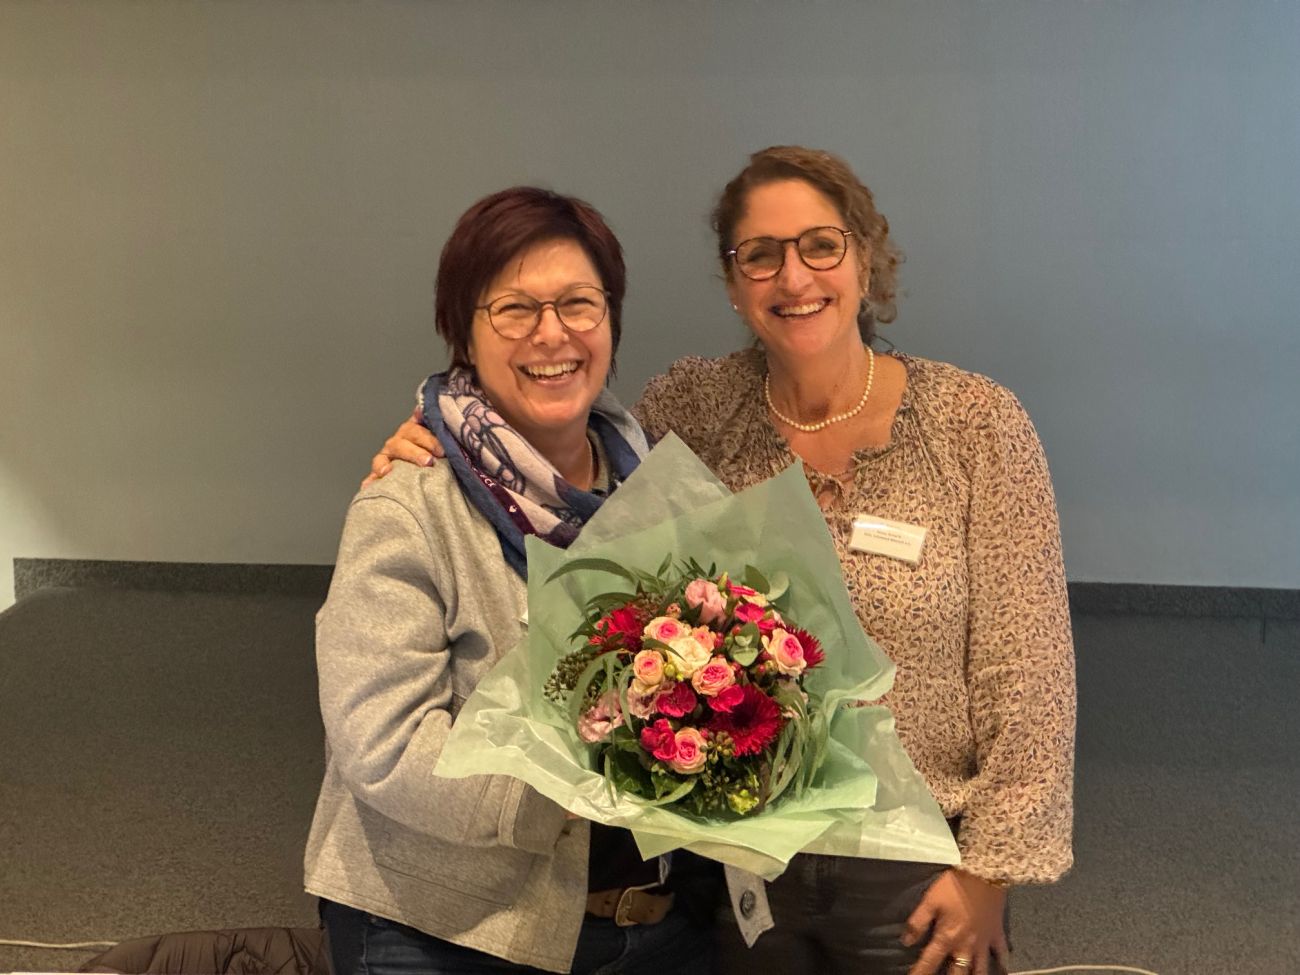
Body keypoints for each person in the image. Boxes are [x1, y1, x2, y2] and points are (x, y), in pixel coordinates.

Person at [364, 147, 1076, 975]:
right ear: (735, 284)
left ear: (866, 258)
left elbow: (1028, 669)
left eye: (821, 245)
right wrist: (439, 438)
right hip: (739, 853)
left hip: (912, 861)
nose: (794, 277)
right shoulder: (694, 410)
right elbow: (563, 452)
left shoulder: (974, 424)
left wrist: (989, 870)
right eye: (760, 255)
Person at [304, 186, 717, 975]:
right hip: (447, 927)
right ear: (463, 332)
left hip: (659, 925)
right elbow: (385, 745)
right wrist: (577, 788)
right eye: (515, 309)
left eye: (578, 303)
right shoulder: (409, 504)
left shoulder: (660, 492)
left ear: (611, 319)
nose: (552, 333)